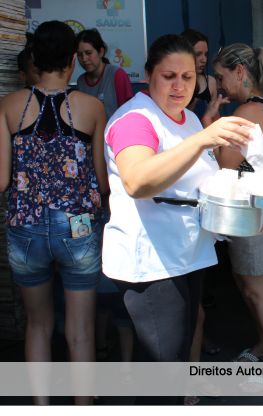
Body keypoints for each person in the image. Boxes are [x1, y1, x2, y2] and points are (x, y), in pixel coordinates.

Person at [101, 34, 252, 367]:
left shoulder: (190, 119)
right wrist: (202, 140)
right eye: (169, 76)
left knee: (178, 359)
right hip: (152, 262)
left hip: (187, 254)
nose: (179, 86)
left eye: (187, 77)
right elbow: (137, 181)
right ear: (148, 74)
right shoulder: (136, 120)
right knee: (162, 371)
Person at [0, 20, 109, 405]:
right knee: (80, 328)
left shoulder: (9, 107)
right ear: (73, 60)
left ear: (34, 60)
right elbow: (103, 183)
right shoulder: (92, 107)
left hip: (25, 226)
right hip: (77, 227)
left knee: (39, 324)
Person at [210, 43, 263, 365]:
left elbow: (226, 162)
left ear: (240, 71)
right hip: (260, 211)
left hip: (259, 213)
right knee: (250, 286)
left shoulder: (247, 113)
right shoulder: (262, 107)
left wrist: (209, 124)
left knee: (259, 290)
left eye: (221, 75)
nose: (219, 84)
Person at [76, 28, 134, 119]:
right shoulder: (81, 81)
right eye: (79, 55)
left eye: (88, 53)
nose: (84, 59)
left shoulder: (117, 74)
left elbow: (128, 115)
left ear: (101, 52)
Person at [181, 29, 220, 119]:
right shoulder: (176, 84)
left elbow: (215, 119)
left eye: (206, 54)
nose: (204, 59)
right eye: (198, 54)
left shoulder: (210, 82)